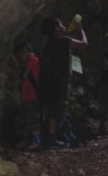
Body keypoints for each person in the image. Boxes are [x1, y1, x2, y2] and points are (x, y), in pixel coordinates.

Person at [38, 16, 88, 148]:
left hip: (49, 80)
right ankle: (51, 140)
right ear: (55, 29)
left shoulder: (46, 46)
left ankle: (53, 137)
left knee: (52, 108)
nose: (62, 26)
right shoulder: (64, 41)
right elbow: (84, 44)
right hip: (61, 80)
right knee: (58, 109)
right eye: (59, 25)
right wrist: (80, 30)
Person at [13, 42, 42, 150]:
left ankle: (36, 142)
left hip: (33, 96)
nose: (20, 56)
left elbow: (25, 75)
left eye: (21, 53)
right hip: (27, 96)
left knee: (34, 120)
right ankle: (26, 141)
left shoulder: (33, 60)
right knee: (25, 119)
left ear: (25, 51)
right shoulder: (29, 61)